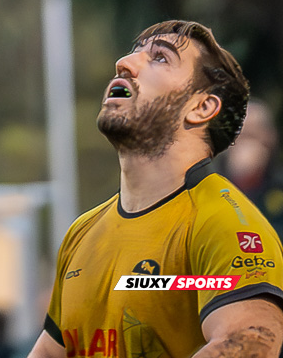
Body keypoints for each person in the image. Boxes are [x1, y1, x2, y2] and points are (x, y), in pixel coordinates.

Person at [26, 20, 283, 358]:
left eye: (160, 57)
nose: (124, 63)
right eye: (133, 53)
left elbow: (250, 343)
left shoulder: (225, 223)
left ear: (201, 107)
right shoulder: (81, 234)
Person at [225, 101, 283, 240]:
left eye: (252, 135)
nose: (246, 146)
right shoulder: (207, 183)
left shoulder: (279, 187)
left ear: (270, 137)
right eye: (240, 136)